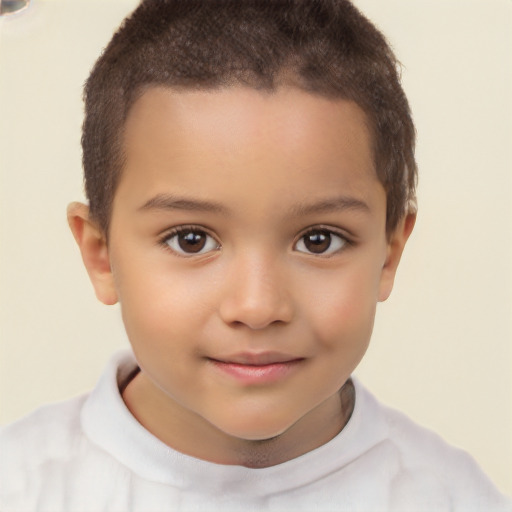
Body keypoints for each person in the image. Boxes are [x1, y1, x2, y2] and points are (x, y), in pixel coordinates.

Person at [0, 0, 510, 510]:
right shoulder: (18, 487)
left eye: (319, 240)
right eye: (191, 239)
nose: (258, 307)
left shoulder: (454, 498)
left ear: (388, 253)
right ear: (101, 254)